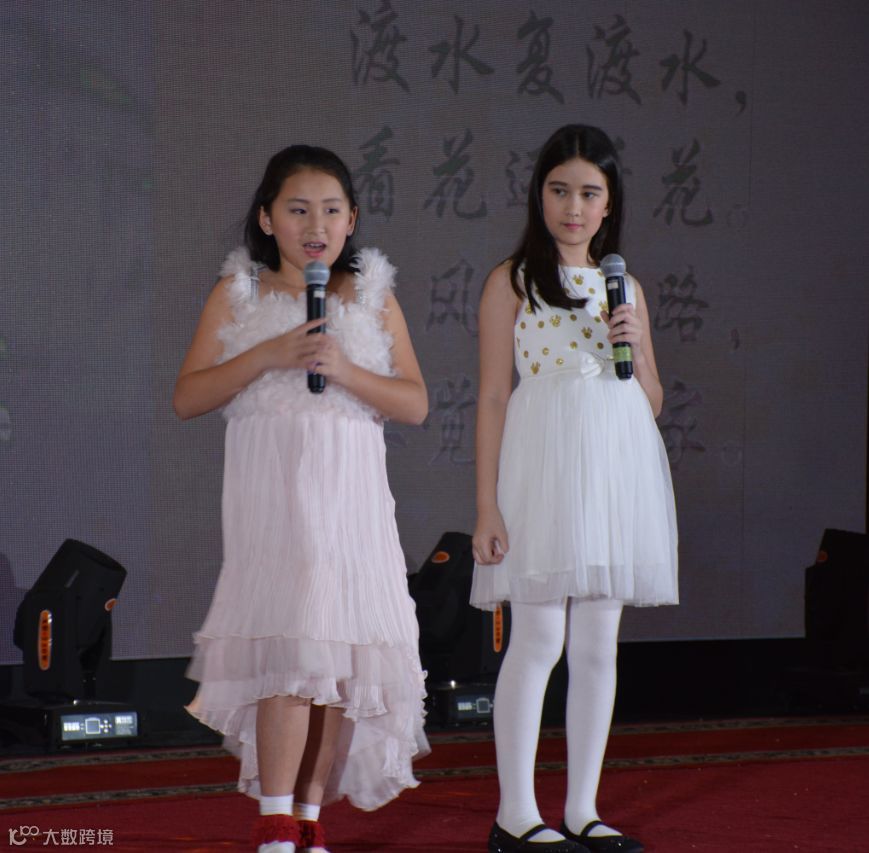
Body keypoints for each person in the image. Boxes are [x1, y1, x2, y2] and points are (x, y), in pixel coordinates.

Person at [173, 145, 430, 853]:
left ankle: (310, 820)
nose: (315, 225)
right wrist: (267, 355)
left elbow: (414, 402)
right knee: (290, 648)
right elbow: (188, 396)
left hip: (351, 507)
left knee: (337, 662)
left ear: (351, 220)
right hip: (275, 505)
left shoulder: (372, 297)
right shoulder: (239, 294)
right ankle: (275, 821)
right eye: (297, 209)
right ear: (266, 218)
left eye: (330, 210)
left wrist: (343, 368)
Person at [471, 125, 678, 853]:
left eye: (589, 193)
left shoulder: (627, 288)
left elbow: (651, 400)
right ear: (540, 195)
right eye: (559, 190)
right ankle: (516, 813)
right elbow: (492, 395)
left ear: (609, 203)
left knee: (597, 643)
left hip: (613, 472)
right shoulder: (512, 280)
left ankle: (583, 808)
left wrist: (634, 341)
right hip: (543, 467)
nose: (573, 207)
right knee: (537, 638)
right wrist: (486, 504)